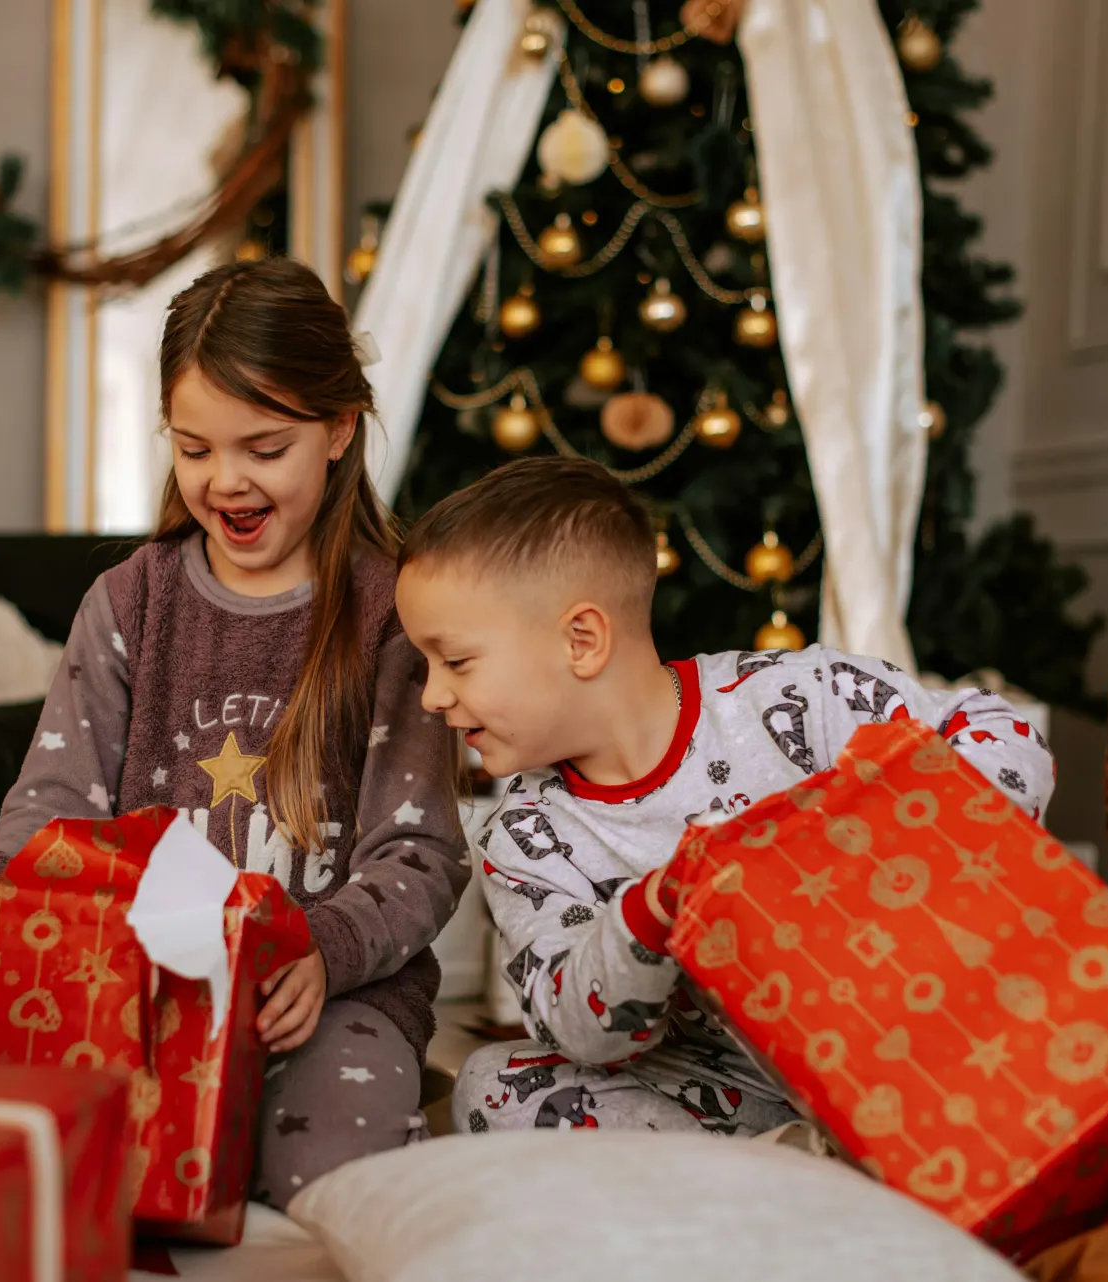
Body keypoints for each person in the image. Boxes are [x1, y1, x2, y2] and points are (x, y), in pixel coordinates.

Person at [0, 258, 469, 1207]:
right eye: (194, 449)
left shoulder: (394, 613)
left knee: (334, 1185)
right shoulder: (128, 602)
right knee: (51, 1170)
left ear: (340, 429)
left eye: (264, 449)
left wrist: (324, 949)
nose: (225, 481)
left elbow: (418, 853)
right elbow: (52, 811)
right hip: (136, 987)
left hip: (329, 994)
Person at [392, 457, 1054, 1137]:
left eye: (457, 662)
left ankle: (843, 1170)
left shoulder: (802, 697)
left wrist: (875, 843)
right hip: (734, 1102)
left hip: (924, 1048)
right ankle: (796, 1176)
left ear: (581, 641)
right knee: (495, 1087)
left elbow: (1000, 732)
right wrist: (651, 911)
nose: (433, 696)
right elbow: (581, 1032)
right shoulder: (527, 837)